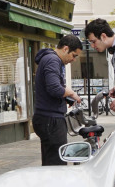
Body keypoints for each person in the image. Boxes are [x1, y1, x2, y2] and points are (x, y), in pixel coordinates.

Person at [33, 34, 84, 166]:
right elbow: (55, 88)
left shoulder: (51, 60)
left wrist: (65, 97)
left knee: (51, 161)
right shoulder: (52, 60)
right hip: (51, 119)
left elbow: (53, 87)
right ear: (66, 48)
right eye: (74, 55)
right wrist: (72, 94)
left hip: (47, 117)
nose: (73, 60)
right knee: (57, 164)